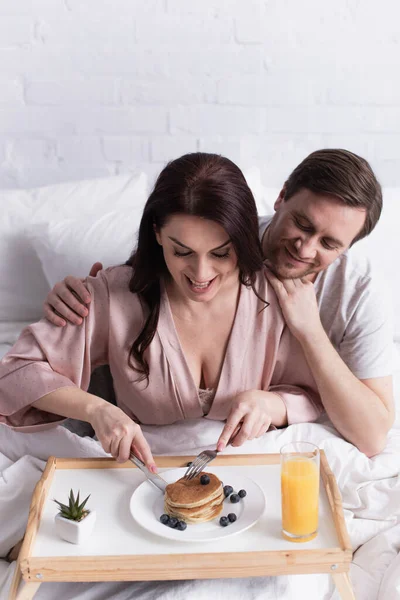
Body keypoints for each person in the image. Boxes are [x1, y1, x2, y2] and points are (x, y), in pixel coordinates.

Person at [44, 149, 395, 457]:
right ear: (281, 196)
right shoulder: (220, 233)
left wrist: (310, 332)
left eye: (329, 243)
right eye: (301, 224)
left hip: (274, 444)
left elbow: (372, 437)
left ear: (349, 246)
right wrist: (84, 293)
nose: (304, 249)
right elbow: (145, 287)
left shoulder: (359, 290)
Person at [0, 153, 322, 473]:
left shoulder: (275, 295)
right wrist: (96, 410)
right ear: (156, 233)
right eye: (182, 251)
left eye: (221, 253)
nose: (201, 273)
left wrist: (273, 405)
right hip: (142, 477)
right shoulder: (114, 294)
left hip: (250, 477)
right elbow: (16, 374)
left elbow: (311, 394)